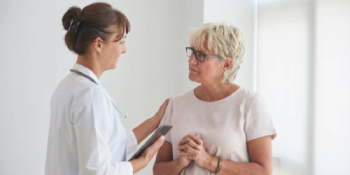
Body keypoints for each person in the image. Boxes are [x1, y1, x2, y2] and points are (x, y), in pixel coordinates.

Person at [45, 2, 168, 175]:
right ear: (99, 44)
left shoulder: (68, 85)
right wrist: (141, 163)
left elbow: (114, 145)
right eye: (121, 41)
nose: (124, 50)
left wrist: (155, 121)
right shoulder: (90, 96)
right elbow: (97, 171)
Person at [153, 23, 277, 175]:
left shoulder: (250, 103)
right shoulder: (175, 104)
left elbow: (264, 171)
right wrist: (181, 161)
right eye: (192, 52)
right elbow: (158, 170)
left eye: (201, 55)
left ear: (226, 64)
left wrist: (208, 161)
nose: (191, 60)